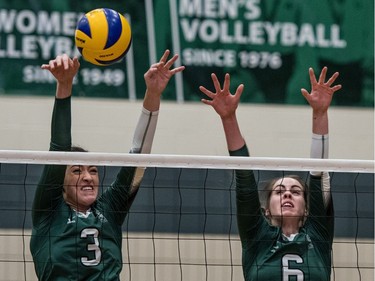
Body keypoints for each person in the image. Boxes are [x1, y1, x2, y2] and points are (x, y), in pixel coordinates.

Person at [30, 50, 185, 281]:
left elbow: (139, 155)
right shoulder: (49, 213)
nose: (88, 177)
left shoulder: (109, 210)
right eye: (76, 170)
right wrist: (65, 86)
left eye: (93, 170)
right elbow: (59, 147)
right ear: (60, 184)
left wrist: (152, 94)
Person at [199, 67, 341, 280]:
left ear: (306, 209)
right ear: (266, 211)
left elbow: (318, 172)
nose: (287, 195)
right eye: (279, 191)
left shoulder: (317, 236)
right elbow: (244, 179)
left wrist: (320, 113)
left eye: (295, 191)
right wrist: (228, 118)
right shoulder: (257, 237)